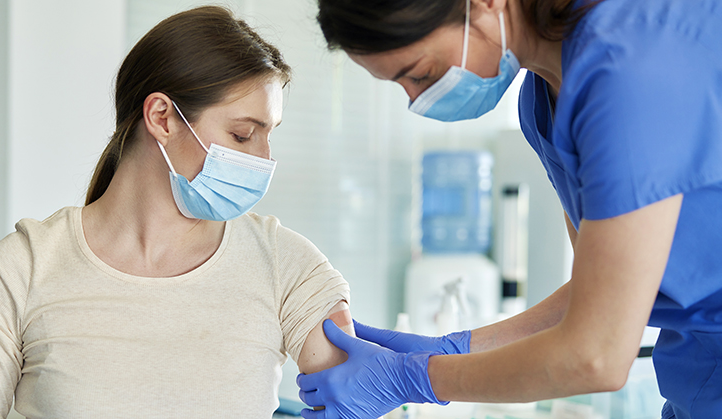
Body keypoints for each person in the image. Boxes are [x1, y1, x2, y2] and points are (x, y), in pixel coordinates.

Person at [0, 6, 355, 419]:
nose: (264, 159)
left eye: (269, 136)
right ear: (162, 117)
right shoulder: (24, 268)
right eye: (243, 135)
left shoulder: (287, 266)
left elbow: (352, 399)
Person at [297, 0, 722, 418]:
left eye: (420, 73)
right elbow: (599, 291)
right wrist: (454, 348)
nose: (416, 100)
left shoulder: (630, 68)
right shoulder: (542, 99)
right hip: (700, 379)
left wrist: (417, 378)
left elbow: (597, 354)